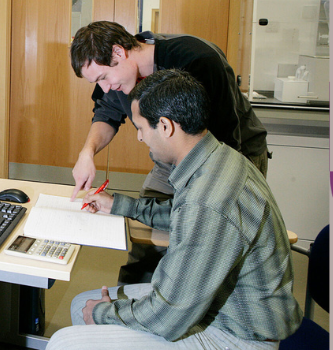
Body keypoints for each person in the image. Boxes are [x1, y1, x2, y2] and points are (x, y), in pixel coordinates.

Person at [46, 69, 301, 349]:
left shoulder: (209, 199)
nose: (141, 138)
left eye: (141, 128)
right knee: (82, 304)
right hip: (213, 308)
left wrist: (106, 313)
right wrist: (119, 204)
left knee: (65, 342)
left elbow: (169, 315)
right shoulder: (216, 158)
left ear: (165, 127)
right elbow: (182, 215)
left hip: (234, 334)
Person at [69, 21, 270, 284]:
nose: (104, 87)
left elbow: (227, 142)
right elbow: (106, 113)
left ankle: (184, 306)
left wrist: (203, 199)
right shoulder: (116, 79)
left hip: (231, 153)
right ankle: (132, 298)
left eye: (103, 78)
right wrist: (87, 152)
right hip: (171, 160)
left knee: (206, 242)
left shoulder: (197, 60)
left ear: (118, 52)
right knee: (148, 237)